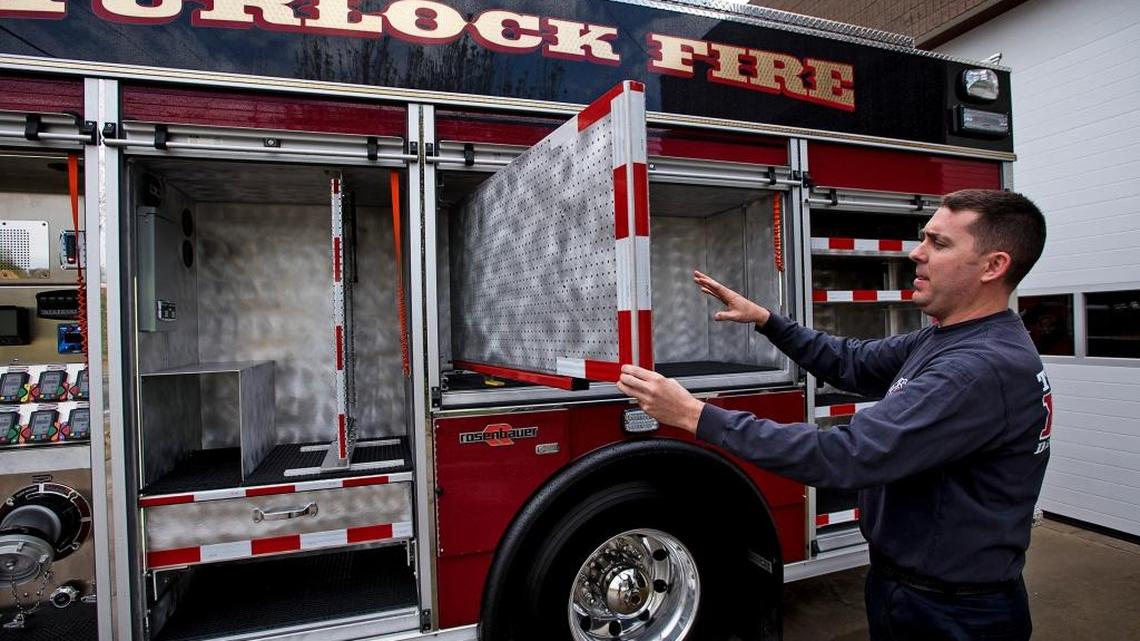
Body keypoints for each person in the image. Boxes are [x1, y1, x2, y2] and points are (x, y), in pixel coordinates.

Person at [617, 189, 1051, 641]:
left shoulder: (978, 368)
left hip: (951, 612)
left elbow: (845, 456)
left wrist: (694, 415)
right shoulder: (949, 339)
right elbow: (851, 361)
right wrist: (767, 320)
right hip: (919, 592)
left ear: (993, 266)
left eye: (938, 244)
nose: (915, 253)